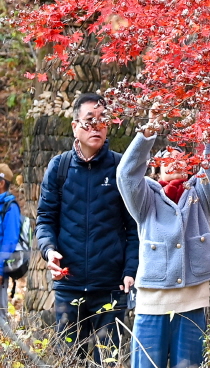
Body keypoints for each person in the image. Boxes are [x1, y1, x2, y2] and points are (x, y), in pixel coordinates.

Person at [117, 114, 210, 368]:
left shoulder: (199, 194)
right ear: (156, 168)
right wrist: (147, 132)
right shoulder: (146, 198)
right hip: (152, 301)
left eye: (180, 159)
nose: (174, 163)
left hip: (192, 299)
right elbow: (125, 175)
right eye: (167, 159)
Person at [36, 92, 138, 365]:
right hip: (69, 286)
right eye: (89, 120)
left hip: (111, 288)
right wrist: (49, 251)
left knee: (109, 360)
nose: (96, 126)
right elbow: (45, 218)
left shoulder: (120, 168)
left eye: (102, 121)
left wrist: (130, 271)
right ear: (75, 126)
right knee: (68, 360)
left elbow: (134, 227)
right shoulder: (59, 167)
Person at [0, 163, 22, 312]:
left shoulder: (10, 207)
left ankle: (9, 336)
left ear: (1, 183)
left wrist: (0, 270)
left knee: (1, 316)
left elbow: (10, 241)